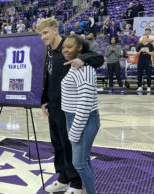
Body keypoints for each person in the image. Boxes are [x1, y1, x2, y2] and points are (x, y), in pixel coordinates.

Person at [36, 18, 104, 194]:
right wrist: (44, 100)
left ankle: (76, 182)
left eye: (45, 33)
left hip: (69, 108)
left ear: (55, 30)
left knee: (68, 145)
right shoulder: (49, 52)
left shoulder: (69, 48)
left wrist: (82, 59)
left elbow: (98, 57)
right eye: (40, 34)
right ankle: (63, 178)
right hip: (53, 106)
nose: (43, 37)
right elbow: (49, 78)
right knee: (57, 144)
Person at [61, 34, 100, 194]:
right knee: (83, 160)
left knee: (79, 164)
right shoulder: (74, 65)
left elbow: (85, 103)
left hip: (83, 120)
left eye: (69, 47)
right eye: (64, 47)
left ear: (80, 48)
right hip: (73, 117)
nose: (65, 50)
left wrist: (75, 130)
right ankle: (87, 190)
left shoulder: (85, 69)